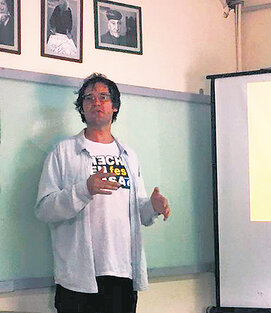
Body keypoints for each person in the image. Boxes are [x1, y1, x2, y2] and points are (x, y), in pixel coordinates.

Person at [35, 73, 171, 313]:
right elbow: (44, 209)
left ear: (115, 106)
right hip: (78, 279)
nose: (96, 102)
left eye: (103, 97)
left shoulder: (128, 156)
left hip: (122, 273)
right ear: (82, 108)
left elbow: (139, 211)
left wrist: (153, 206)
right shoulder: (64, 152)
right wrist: (84, 189)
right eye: (88, 98)